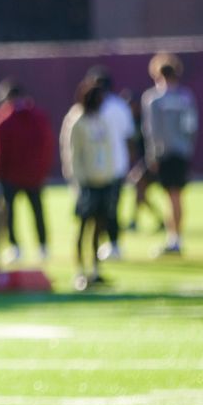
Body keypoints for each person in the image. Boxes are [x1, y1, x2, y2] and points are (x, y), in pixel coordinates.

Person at [0, 78, 54, 263]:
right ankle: (43, 247)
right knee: (37, 211)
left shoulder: (2, 118)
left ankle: (15, 248)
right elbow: (47, 145)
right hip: (34, 175)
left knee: (10, 213)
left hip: (10, 176)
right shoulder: (39, 116)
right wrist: (42, 170)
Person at [60, 79, 116, 290]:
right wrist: (78, 182)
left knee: (99, 228)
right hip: (87, 183)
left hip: (103, 180)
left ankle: (96, 270)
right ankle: (80, 272)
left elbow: (107, 149)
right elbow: (72, 154)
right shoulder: (77, 120)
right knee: (83, 228)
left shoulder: (100, 120)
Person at [140, 52, 198, 255]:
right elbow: (191, 127)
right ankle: (176, 237)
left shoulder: (153, 99)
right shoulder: (185, 97)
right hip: (181, 152)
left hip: (164, 153)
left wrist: (152, 155)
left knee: (170, 197)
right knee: (177, 197)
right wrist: (187, 147)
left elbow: (151, 131)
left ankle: (173, 239)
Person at [84, 65, 135, 261]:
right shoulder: (119, 106)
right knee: (111, 207)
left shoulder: (105, 107)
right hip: (116, 165)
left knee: (104, 209)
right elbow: (129, 138)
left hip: (101, 166)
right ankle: (111, 244)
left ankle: (110, 244)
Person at [122, 87, 164, 233]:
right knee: (139, 190)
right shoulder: (130, 121)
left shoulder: (146, 119)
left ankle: (136, 220)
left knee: (139, 186)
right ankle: (149, 220)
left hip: (154, 160)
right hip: (144, 161)